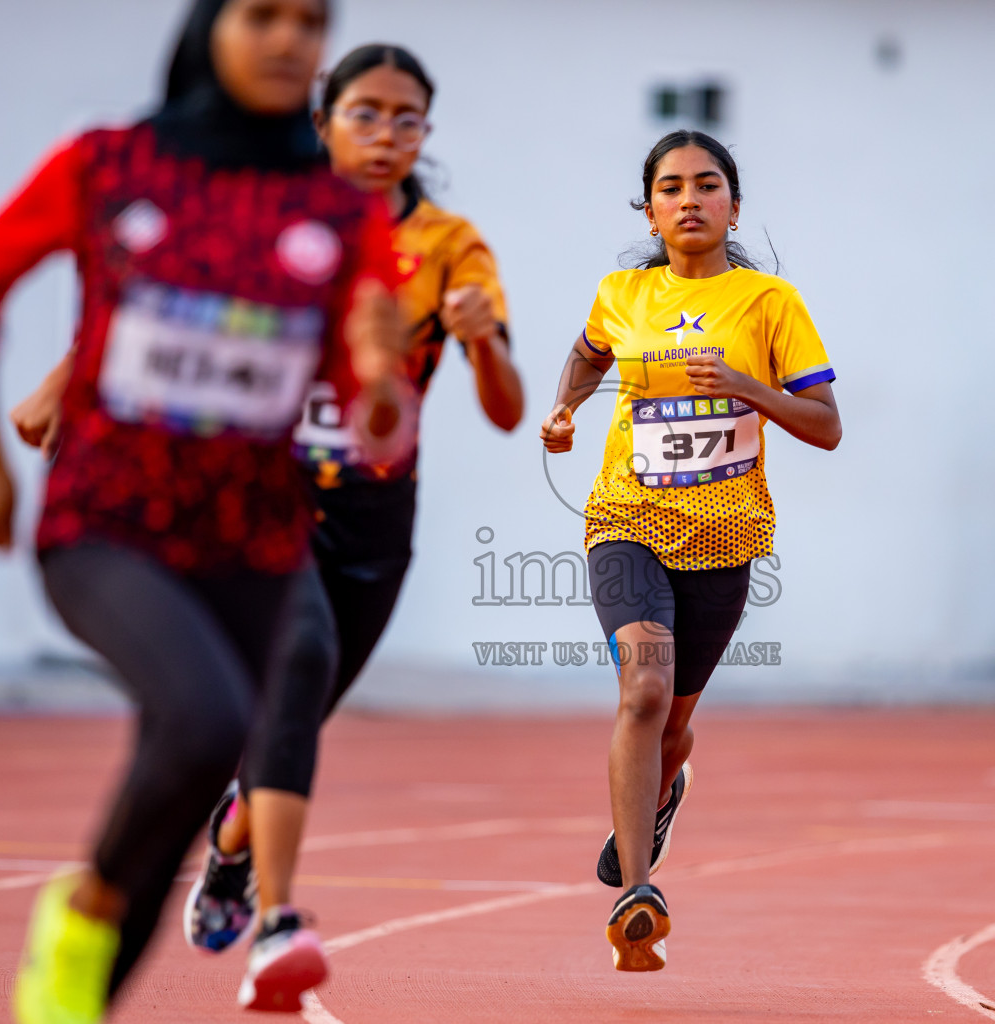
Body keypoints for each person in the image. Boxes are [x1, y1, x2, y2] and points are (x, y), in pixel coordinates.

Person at [0, 0, 407, 1018]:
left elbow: (371, 414)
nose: (292, 40)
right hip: (109, 526)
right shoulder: (110, 164)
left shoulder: (339, 213)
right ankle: (84, 907)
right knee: (207, 721)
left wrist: (381, 381)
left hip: (252, 539)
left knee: (198, 757)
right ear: (212, 30)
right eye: (265, 17)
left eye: (311, 21)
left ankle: (71, 1000)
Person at [178, 41, 524, 955]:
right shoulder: (277, 219)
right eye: (364, 113)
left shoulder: (451, 246)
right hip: (269, 501)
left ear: (426, 134)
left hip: (374, 519)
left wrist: (485, 343)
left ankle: (231, 845)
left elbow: (506, 412)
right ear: (322, 121)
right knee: (292, 681)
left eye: (406, 118)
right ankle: (277, 921)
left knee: (301, 709)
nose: (385, 134)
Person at [539, 130, 841, 971]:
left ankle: (665, 791)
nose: (689, 200)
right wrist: (565, 410)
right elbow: (586, 351)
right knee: (643, 688)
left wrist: (749, 387)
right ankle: (638, 894)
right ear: (651, 210)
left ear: (733, 205)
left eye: (707, 186)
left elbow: (827, 428)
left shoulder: (770, 303)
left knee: (672, 723)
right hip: (625, 519)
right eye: (670, 188)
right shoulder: (622, 292)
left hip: (725, 533)